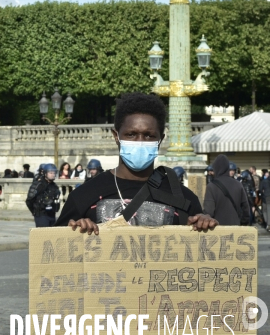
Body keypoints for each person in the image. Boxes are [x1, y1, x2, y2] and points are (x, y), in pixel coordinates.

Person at [56, 92, 217, 233]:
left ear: (161, 139)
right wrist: (75, 231)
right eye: (131, 134)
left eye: (149, 135)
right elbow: (53, 252)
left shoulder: (184, 200)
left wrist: (205, 226)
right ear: (116, 136)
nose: (140, 141)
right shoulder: (83, 196)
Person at [203, 155, 249, 226]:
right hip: (235, 227)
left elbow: (208, 211)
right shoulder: (238, 184)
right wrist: (243, 222)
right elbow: (245, 208)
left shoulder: (211, 186)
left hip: (217, 228)